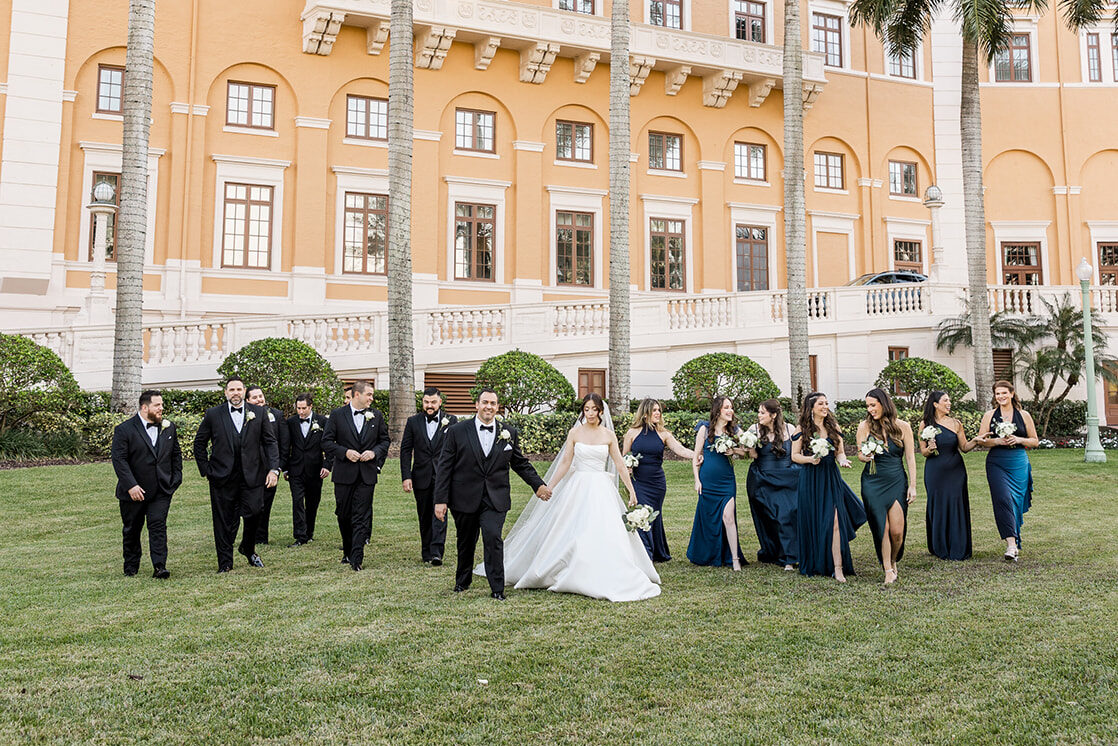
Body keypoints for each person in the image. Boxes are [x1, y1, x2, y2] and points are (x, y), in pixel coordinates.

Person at [492, 393, 661, 602]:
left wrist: (631, 490)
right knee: (570, 527)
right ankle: (568, 567)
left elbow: (619, 463)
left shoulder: (608, 435)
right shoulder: (575, 433)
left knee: (604, 529)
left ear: (601, 411)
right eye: (586, 409)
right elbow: (565, 462)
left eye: (594, 409)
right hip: (578, 485)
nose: (590, 413)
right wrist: (549, 486)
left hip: (601, 486)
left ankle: (601, 567)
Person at [433, 388, 550, 601]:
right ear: (477, 405)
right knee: (465, 541)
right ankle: (463, 580)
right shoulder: (457, 431)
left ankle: (497, 588)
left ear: (497, 407)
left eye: (493, 403)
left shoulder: (509, 432)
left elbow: (520, 463)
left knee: (493, 538)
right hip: (464, 497)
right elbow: (444, 467)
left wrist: (538, 485)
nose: (489, 407)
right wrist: (440, 500)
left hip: (495, 498)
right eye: (485, 402)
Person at [193, 378, 280, 572]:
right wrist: (206, 470)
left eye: (239, 389)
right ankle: (225, 563)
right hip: (222, 477)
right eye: (231, 389)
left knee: (255, 511)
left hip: (253, 475)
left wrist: (274, 469)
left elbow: (270, 442)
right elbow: (199, 443)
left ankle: (247, 547)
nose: (235, 393)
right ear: (225, 392)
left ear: (244, 391)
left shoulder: (258, 413)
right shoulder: (214, 414)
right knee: (223, 521)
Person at [792, 391, 866, 582]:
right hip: (810, 478)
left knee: (834, 522)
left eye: (826, 404)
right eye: (820, 404)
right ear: (811, 408)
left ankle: (838, 567)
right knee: (815, 520)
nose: (825, 407)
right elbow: (794, 455)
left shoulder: (833, 427)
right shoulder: (802, 429)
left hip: (830, 477)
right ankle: (817, 561)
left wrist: (842, 461)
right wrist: (810, 459)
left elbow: (840, 453)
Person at [110, 390, 182, 579]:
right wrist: (131, 485)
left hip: (161, 490)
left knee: (158, 525)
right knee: (132, 529)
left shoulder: (169, 427)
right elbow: (119, 460)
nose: (161, 408)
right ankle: (131, 566)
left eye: (161, 405)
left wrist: (175, 481)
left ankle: (160, 566)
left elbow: (176, 456)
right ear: (144, 407)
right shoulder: (124, 430)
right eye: (157, 405)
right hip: (133, 492)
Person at [322, 380, 389, 571]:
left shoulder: (376, 416)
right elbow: (326, 442)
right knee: (343, 514)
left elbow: (385, 441)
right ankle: (348, 549)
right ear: (356, 395)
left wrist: (374, 453)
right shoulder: (337, 415)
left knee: (360, 515)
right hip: (344, 474)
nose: (372, 398)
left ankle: (356, 557)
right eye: (369, 394)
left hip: (366, 475)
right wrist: (344, 452)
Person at [621, 398, 695, 562]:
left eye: (659, 410)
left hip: (657, 483)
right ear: (645, 413)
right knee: (642, 514)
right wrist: (628, 465)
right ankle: (645, 553)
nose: (657, 413)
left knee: (654, 515)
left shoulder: (664, 434)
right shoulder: (632, 433)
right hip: (639, 481)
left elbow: (680, 450)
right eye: (654, 410)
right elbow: (624, 457)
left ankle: (657, 552)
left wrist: (697, 454)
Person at [855, 388, 917, 584]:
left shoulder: (903, 427)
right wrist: (865, 456)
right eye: (868, 406)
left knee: (897, 531)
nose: (870, 409)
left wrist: (913, 486)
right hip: (873, 482)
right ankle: (888, 569)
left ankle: (892, 559)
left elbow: (910, 458)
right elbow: (859, 454)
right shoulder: (864, 426)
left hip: (896, 479)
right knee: (882, 526)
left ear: (884, 403)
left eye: (873, 405)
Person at [976, 380, 1038, 562]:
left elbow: (1035, 441)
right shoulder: (989, 415)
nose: (1001, 396)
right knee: (1002, 499)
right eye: (997, 394)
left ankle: (1015, 539)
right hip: (997, 463)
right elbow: (981, 440)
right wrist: (996, 441)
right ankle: (1011, 544)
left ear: (1011, 394)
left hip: (1018, 462)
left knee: (1015, 502)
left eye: (1004, 393)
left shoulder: (1023, 415)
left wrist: (1018, 440)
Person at [688, 396, 748, 570]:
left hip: (727, 481)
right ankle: (708, 554)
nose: (730, 411)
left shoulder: (735, 430)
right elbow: (696, 455)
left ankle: (735, 558)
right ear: (718, 410)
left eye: (731, 407)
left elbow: (748, 451)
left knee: (728, 517)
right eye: (726, 407)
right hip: (707, 480)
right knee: (708, 518)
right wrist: (696, 479)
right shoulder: (705, 429)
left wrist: (734, 450)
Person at [401, 387, 458, 565]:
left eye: (433, 402)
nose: (430, 405)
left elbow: (457, 449)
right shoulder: (413, 422)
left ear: (440, 402)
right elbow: (405, 450)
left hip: (444, 476)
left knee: (440, 513)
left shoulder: (452, 421)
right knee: (424, 514)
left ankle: (436, 553)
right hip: (421, 475)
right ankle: (426, 551)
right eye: (426, 402)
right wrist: (406, 476)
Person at [920, 390, 977, 561]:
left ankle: (958, 545)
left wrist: (978, 440)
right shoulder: (925, 424)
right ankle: (940, 546)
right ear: (936, 404)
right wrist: (929, 448)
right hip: (935, 471)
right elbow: (923, 452)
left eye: (949, 400)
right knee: (938, 504)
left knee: (956, 503)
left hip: (956, 471)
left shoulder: (956, 423)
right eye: (945, 400)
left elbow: (965, 447)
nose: (949, 403)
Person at [744, 398, 799, 570]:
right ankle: (780, 553)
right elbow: (753, 455)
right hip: (764, 480)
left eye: (762, 412)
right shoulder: (754, 430)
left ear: (773, 415)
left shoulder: (790, 429)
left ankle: (790, 556)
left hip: (788, 478)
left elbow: (797, 452)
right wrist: (746, 446)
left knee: (787, 515)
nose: (758, 415)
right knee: (776, 516)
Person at [285, 393, 331, 547]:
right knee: (297, 502)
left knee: (312, 503)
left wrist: (327, 465)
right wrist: (284, 469)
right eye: (298, 408)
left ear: (311, 407)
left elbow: (329, 445)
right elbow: (285, 446)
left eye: (304, 408)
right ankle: (300, 536)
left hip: (316, 469)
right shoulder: (290, 422)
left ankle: (309, 532)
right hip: (295, 470)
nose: (301, 411)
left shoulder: (323, 421)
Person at [246, 386, 289, 545]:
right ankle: (248, 535)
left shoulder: (276, 415)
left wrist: (278, 468)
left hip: (270, 468)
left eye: (261, 396)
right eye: (255, 397)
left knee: (266, 504)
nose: (259, 400)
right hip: (250, 468)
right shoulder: (244, 416)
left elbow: (284, 444)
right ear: (248, 400)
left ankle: (261, 538)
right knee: (250, 505)